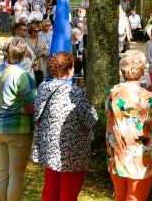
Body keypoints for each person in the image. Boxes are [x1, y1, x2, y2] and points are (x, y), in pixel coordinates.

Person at [106, 50, 152, 200]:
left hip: (117, 156)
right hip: (141, 159)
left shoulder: (111, 93)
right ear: (143, 70)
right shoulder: (149, 98)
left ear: (122, 69)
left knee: (120, 197)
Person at [32, 52, 98, 201]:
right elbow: (91, 119)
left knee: (50, 189)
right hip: (72, 152)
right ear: (69, 69)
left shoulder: (43, 88)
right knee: (68, 192)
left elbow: (36, 114)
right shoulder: (75, 93)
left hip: (49, 148)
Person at [0, 37, 37, 201]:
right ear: (24, 53)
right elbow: (32, 107)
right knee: (16, 176)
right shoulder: (23, 76)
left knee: (3, 173)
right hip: (18, 130)